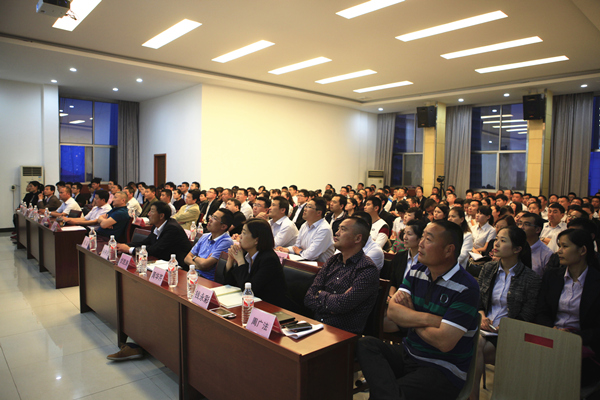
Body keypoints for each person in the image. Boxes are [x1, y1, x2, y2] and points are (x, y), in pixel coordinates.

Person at [356, 220, 479, 400]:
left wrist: (411, 316)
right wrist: (429, 319)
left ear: (448, 250)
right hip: (409, 353)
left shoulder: (466, 287)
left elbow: (444, 342)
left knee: (384, 391)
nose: (420, 243)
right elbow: (393, 312)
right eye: (422, 237)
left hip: (442, 367)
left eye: (428, 239)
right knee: (366, 344)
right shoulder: (417, 270)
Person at [472, 226, 541, 400]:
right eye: (496, 239)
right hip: (484, 327)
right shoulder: (489, 268)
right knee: (476, 344)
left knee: (474, 347)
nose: (496, 244)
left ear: (517, 249)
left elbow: (527, 314)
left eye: (502, 241)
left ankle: (472, 396)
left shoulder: (530, 278)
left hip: (509, 333)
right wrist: (481, 315)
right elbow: (478, 299)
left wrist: (507, 326)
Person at [536, 229, 600, 387]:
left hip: (582, 343)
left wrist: (574, 337)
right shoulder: (552, 276)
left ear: (582, 250)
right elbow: (541, 311)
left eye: (565, 246)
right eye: (559, 246)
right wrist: (552, 329)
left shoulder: (596, 281)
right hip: (551, 335)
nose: (559, 251)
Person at [304, 217, 379, 334]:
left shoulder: (366, 269)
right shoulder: (332, 261)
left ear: (358, 238)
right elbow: (308, 297)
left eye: (343, 229)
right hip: (316, 326)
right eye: (338, 229)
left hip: (343, 334)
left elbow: (342, 305)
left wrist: (320, 294)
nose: (337, 233)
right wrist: (332, 306)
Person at [224, 219, 289, 307]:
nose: (240, 236)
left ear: (256, 240)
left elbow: (250, 290)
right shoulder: (247, 254)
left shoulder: (269, 259)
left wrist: (240, 261)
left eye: (244, 233)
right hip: (253, 303)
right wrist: (230, 260)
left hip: (271, 306)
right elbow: (229, 282)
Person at [116, 201, 192, 269]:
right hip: (162, 261)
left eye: (152, 211)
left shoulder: (172, 228)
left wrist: (129, 249)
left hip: (178, 267)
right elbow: (146, 242)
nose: (148, 214)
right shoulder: (156, 226)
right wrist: (124, 246)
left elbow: (156, 249)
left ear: (161, 216)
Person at [383, 219, 426, 334]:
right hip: (395, 302)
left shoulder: (425, 262)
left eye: (409, 234)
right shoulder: (400, 257)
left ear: (420, 238)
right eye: (404, 233)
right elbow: (393, 281)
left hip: (412, 307)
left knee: (381, 322)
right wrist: (391, 296)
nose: (405, 237)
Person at [276, 198, 335, 263]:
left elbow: (310, 255)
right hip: (304, 262)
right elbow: (297, 246)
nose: (305, 209)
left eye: (309, 207)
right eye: (306, 206)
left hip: (320, 266)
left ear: (318, 213)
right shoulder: (305, 225)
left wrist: (300, 251)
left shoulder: (324, 229)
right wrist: (286, 249)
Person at [184, 209, 234, 281]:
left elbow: (204, 264)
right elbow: (186, 258)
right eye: (211, 216)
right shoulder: (205, 236)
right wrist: (198, 265)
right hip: (194, 275)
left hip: (207, 280)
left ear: (223, 227)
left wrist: (194, 258)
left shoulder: (226, 242)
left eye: (215, 218)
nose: (210, 219)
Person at [519, 212, 554, 278]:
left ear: (537, 229)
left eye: (526, 224)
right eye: (520, 223)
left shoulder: (547, 254)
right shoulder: (515, 247)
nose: (521, 227)